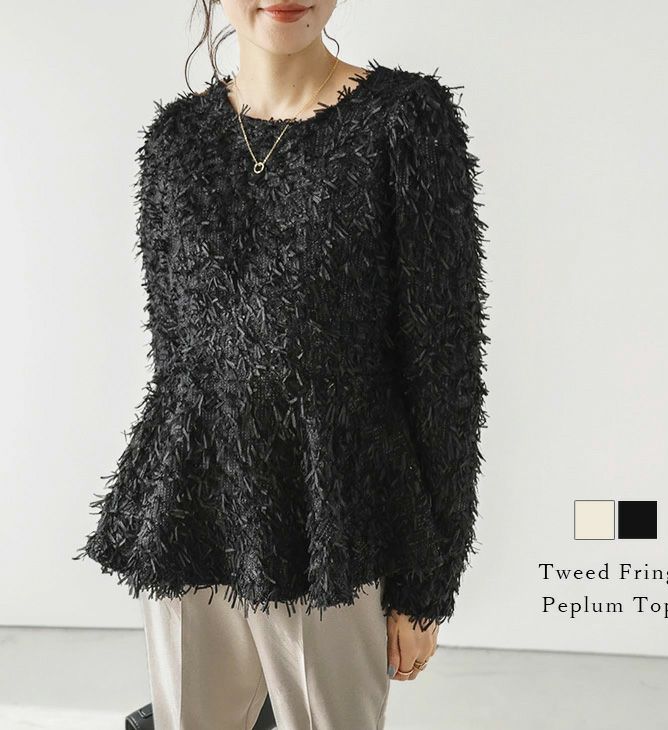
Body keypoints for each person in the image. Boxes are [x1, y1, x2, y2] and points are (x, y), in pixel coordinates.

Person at [73, 1, 489, 728]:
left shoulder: (404, 120)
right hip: (196, 507)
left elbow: (444, 363)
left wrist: (428, 583)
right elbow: (177, 362)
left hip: (337, 517)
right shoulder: (177, 140)